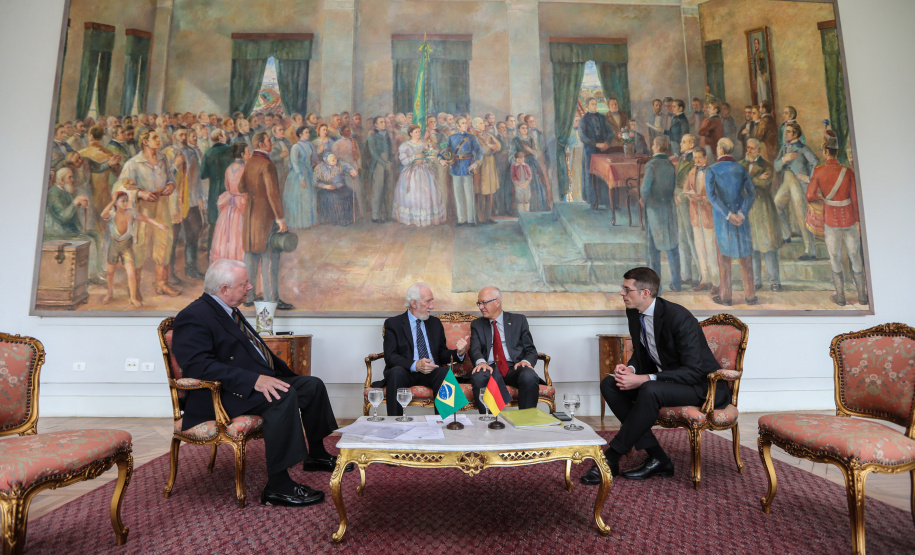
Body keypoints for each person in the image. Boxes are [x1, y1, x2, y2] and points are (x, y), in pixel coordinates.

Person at [172, 259, 351, 508]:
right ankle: (278, 486)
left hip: (244, 385)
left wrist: (277, 375)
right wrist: (254, 380)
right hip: (221, 394)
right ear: (224, 289)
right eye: (244, 284)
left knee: (312, 385)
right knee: (281, 397)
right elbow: (199, 367)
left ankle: (317, 456)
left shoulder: (227, 310)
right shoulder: (193, 316)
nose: (250, 287)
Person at [580, 267, 728, 485]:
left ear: (645, 293)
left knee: (650, 389)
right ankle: (658, 457)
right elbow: (642, 354)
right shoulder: (633, 312)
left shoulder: (679, 317)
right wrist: (630, 370)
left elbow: (694, 370)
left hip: (701, 386)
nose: (622, 293)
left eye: (627, 289)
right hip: (669, 382)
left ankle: (611, 457)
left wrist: (644, 378)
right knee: (610, 383)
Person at [375, 283, 468, 416]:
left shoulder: (435, 323)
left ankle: (446, 421)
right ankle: (395, 423)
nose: (432, 306)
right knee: (395, 372)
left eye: (432, 301)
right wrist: (416, 365)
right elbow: (390, 357)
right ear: (414, 303)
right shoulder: (393, 324)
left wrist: (458, 353)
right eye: (428, 301)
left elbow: (442, 354)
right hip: (406, 371)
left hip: (431, 371)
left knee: (444, 372)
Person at [806, 131, 868, 306]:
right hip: (849, 219)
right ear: (837, 152)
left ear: (826, 151)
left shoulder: (819, 171)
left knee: (834, 256)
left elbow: (809, 195)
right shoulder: (847, 172)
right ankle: (862, 296)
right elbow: (855, 199)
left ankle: (841, 297)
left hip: (830, 220)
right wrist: (857, 222)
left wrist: (821, 197)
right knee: (855, 255)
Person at [118, 129, 181, 297]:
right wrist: (140, 193)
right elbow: (121, 187)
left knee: (164, 241)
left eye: (158, 137)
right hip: (142, 207)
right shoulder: (133, 163)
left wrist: (170, 185)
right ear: (145, 142)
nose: (158, 140)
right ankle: (135, 288)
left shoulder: (162, 159)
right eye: (154, 138)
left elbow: (170, 178)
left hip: (161, 204)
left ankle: (161, 283)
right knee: (140, 243)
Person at [240, 132, 293, 310]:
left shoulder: (250, 162)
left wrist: (255, 192)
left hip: (250, 216)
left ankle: (247, 297)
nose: (271, 143)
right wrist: (280, 218)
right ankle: (272, 299)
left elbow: (241, 187)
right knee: (270, 258)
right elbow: (273, 194)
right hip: (266, 217)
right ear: (262, 144)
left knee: (251, 257)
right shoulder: (267, 164)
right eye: (269, 140)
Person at [469, 286, 541, 412]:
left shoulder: (519, 320)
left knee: (529, 375)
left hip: (514, 367)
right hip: (490, 368)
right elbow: (474, 348)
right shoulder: (477, 324)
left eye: (484, 303)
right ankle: (489, 420)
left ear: (497, 302)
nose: (481, 307)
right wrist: (481, 362)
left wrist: (526, 361)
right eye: (479, 303)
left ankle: (527, 420)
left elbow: (530, 350)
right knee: (479, 376)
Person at [706, 138, 757, 306]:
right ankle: (750, 295)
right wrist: (741, 213)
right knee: (745, 255)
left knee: (724, 257)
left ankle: (726, 296)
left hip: (722, 219)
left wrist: (728, 214)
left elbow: (712, 197)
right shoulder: (741, 169)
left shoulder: (712, 169)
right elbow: (751, 193)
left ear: (720, 149)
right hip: (741, 218)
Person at [100, 186, 167, 307]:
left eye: (127, 200)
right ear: (116, 203)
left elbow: (145, 218)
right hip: (114, 247)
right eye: (122, 201)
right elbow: (103, 214)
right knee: (110, 272)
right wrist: (112, 201)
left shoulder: (131, 213)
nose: (126, 203)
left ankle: (132, 297)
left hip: (126, 247)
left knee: (131, 274)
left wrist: (158, 225)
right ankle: (109, 293)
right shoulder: (111, 214)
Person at [640, 136, 681, 292]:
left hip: (654, 209)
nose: (651, 146)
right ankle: (676, 283)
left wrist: (643, 199)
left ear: (657, 146)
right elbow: (673, 187)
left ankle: (655, 286)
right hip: (669, 209)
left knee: (653, 248)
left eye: (653, 144)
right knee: (672, 245)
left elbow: (645, 189)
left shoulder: (651, 165)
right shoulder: (670, 165)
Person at [741, 139, 783, 292]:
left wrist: (748, 181)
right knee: (753, 248)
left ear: (759, 151)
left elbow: (764, 184)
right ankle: (756, 281)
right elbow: (741, 184)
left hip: (764, 210)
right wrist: (754, 180)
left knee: (769, 246)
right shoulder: (742, 165)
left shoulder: (767, 166)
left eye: (752, 148)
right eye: (748, 148)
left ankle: (774, 281)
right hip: (749, 210)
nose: (749, 151)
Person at [774, 122, 819, 261]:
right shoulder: (784, 148)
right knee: (776, 204)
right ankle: (786, 235)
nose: (785, 134)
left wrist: (809, 178)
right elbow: (776, 166)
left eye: (788, 132)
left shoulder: (802, 148)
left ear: (795, 134)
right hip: (787, 180)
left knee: (801, 213)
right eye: (785, 131)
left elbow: (816, 162)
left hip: (798, 182)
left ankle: (810, 249)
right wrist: (783, 159)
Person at [392, 124, 446, 227]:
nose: (418, 133)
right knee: (413, 194)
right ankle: (413, 218)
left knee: (426, 193)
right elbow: (404, 161)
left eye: (419, 131)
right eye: (416, 132)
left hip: (424, 171)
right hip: (411, 172)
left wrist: (427, 159)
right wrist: (415, 157)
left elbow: (430, 157)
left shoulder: (425, 144)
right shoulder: (405, 146)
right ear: (411, 133)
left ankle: (425, 218)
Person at [682, 148, 720, 294]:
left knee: (711, 249)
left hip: (708, 215)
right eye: (695, 158)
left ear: (705, 158)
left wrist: (702, 199)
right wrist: (689, 195)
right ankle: (705, 279)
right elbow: (686, 188)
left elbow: (716, 194)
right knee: (700, 249)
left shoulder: (712, 172)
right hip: (695, 216)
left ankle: (716, 282)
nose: (697, 160)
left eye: (699, 158)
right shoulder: (692, 172)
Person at [210, 143, 249, 263]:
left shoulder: (229, 168)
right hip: (241, 204)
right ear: (242, 154)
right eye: (248, 152)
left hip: (229, 208)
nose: (250, 154)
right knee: (238, 236)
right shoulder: (245, 169)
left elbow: (227, 186)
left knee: (226, 237)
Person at [440, 117, 483, 225]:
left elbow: (479, 152)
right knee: (458, 195)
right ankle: (461, 219)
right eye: (463, 123)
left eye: (466, 123)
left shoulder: (472, 137)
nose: (466, 125)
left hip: (468, 167)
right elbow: (443, 151)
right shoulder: (451, 138)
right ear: (457, 126)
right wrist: (441, 160)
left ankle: (471, 220)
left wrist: (476, 163)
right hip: (455, 167)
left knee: (469, 195)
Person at [201, 129, 234, 251]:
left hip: (214, 192)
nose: (227, 137)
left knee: (214, 223)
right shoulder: (232, 151)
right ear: (220, 138)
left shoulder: (208, 153)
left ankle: (212, 253)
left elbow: (203, 174)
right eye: (225, 135)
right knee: (230, 223)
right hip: (229, 190)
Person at [579, 97, 612, 209]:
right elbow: (582, 137)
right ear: (587, 106)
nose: (594, 106)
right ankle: (593, 201)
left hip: (604, 149)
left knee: (605, 175)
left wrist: (607, 143)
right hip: (590, 150)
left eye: (595, 104)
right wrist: (596, 144)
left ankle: (607, 201)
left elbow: (610, 132)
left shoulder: (602, 117)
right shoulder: (584, 119)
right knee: (592, 175)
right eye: (592, 104)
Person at [512, 123, 551, 212]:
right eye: (523, 128)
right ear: (519, 129)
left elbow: (535, 153)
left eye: (526, 128)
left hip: (532, 163)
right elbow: (512, 153)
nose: (525, 130)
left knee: (537, 182)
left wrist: (530, 151)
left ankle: (537, 206)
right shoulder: (516, 140)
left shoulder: (530, 139)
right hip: (521, 164)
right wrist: (517, 164)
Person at [284, 126, 317, 230]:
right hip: (299, 174)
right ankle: (300, 223)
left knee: (309, 197)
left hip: (309, 172)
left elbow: (314, 159)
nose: (308, 134)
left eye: (308, 132)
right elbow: (294, 162)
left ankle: (309, 222)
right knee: (301, 197)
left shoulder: (310, 145)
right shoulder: (295, 147)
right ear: (300, 135)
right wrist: (301, 177)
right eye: (306, 132)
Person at [313, 152, 357, 226]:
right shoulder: (319, 168)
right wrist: (325, 186)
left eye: (335, 158)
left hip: (340, 187)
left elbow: (347, 166)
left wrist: (352, 170)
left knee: (350, 193)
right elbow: (315, 182)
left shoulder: (340, 163)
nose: (335, 160)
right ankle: (338, 219)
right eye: (333, 160)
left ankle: (349, 217)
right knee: (335, 198)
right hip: (326, 189)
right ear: (326, 161)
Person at [472, 117, 501, 224]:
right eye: (481, 123)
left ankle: (488, 216)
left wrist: (490, 145)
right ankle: (480, 218)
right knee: (480, 192)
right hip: (481, 166)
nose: (484, 124)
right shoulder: (473, 136)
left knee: (490, 192)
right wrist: (489, 149)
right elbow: (478, 150)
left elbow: (498, 146)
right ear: (476, 125)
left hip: (489, 164)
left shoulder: (488, 135)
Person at [368, 117, 394, 223]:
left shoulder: (387, 134)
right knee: (378, 189)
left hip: (388, 162)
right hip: (378, 163)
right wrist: (384, 163)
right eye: (381, 122)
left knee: (389, 189)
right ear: (376, 125)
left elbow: (390, 149)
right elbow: (373, 153)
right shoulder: (372, 136)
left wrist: (390, 162)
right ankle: (376, 216)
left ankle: (388, 215)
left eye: (384, 122)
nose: (384, 124)